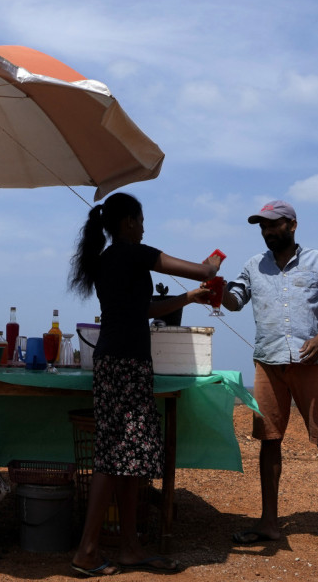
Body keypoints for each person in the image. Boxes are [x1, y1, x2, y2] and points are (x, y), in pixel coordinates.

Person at [67, 192, 221, 577]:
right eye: (140, 220)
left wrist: (189, 298)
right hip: (127, 364)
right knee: (114, 456)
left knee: (128, 456)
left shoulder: (105, 260)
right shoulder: (135, 252)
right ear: (127, 223)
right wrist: (215, 262)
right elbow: (203, 269)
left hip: (115, 362)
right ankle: (87, 551)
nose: (144, 226)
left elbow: (144, 310)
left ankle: (130, 547)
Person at [222, 200, 318, 557]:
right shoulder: (252, 266)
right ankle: (269, 523)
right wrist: (213, 286)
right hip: (268, 362)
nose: (266, 232)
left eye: (272, 225)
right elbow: (234, 300)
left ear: (292, 226)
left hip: (310, 362)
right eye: (262, 226)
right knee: (269, 440)